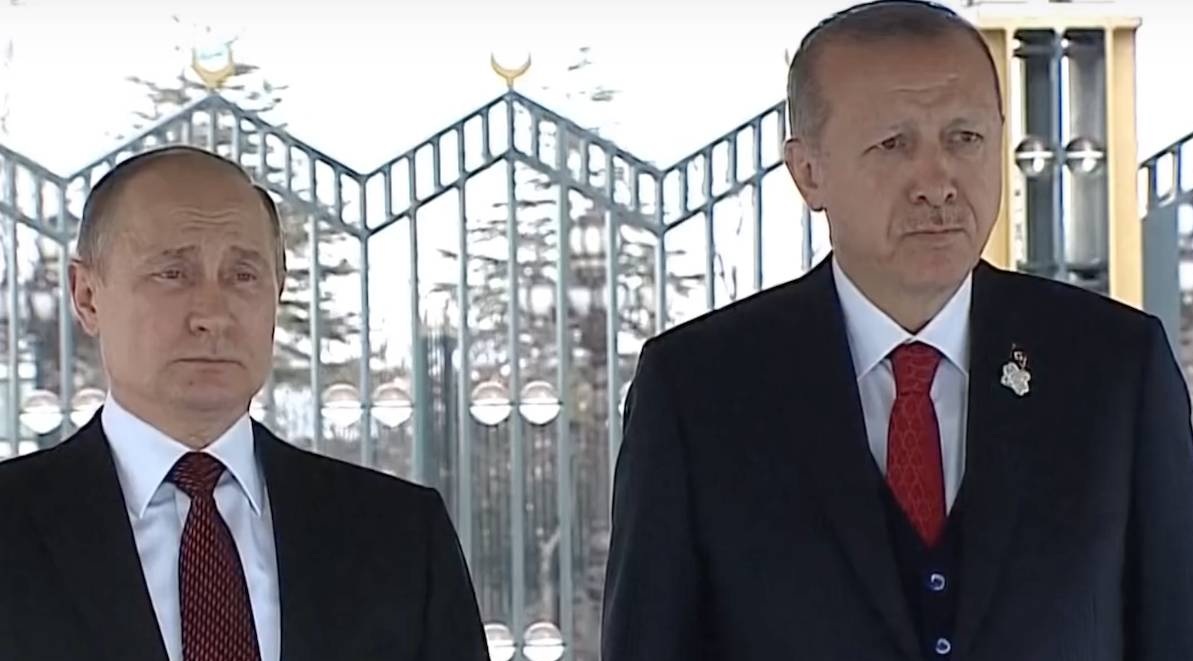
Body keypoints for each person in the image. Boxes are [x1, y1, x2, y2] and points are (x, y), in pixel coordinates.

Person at [601, 1, 1193, 659]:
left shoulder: (1114, 371)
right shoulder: (699, 391)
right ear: (808, 171)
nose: (937, 183)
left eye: (964, 139)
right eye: (893, 144)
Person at [0, 146, 489, 661]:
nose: (212, 315)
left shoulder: (400, 537)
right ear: (87, 295)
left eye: (243, 276)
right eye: (173, 273)